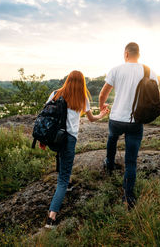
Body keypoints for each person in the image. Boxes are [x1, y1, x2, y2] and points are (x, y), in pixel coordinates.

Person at [45, 70, 109, 228]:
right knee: (63, 179)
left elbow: (46, 115)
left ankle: (64, 186)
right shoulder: (82, 97)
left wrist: (44, 138)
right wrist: (102, 114)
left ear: (67, 80)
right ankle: (51, 218)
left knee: (61, 160)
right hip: (69, 139)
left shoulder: (55, 93)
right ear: (82, 83)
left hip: (55, 137)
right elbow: (91, 119)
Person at [99, 42, 158, 209]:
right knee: (131, 161)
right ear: (138, 54)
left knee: (112, 138)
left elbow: (103, 92)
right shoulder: (149, 71)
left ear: (126, 54)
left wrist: (103, 106)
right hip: (135, 121)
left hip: (116, 118)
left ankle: (109, 164)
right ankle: (128, 196)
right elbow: (155, 95)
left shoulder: (116, 70)